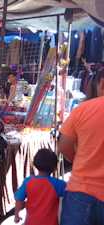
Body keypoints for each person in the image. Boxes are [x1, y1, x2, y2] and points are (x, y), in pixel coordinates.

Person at [58, 67, 104, 225]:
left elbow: (63, 145)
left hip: (81, 191)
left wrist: (77, 159)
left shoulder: (83, 109)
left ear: (102, 83)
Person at [14, 149, 66, 225]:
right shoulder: (59, 184)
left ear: (35, 164)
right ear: (55, 168)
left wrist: (16, 215)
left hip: (31, 222)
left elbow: (19, 199)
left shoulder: (28, 182)